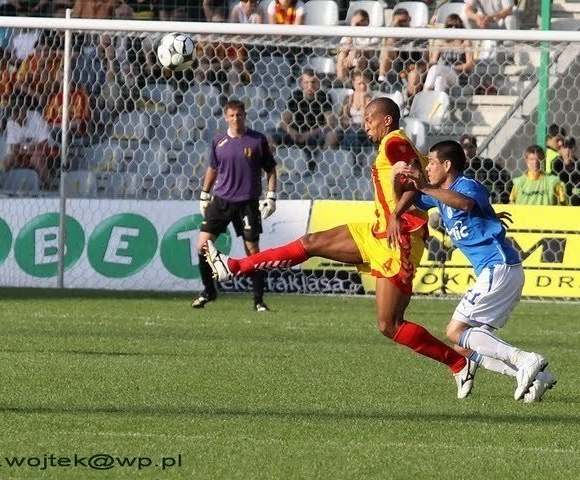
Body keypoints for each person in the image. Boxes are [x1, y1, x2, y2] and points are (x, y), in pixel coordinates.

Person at [205, 97, 478, 399]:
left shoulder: (394, 143)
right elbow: (412, 178)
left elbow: (414, 177)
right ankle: (234, 267)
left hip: (397, 240)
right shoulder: (392, 144)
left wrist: (397, 216)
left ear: (387, 120)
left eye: (370, 119)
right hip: (378, 231)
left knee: (390, 325)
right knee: (311, 243)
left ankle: (458, 363)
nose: (365, 124)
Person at [396, 140, 555, 402]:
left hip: (499, 267)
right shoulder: (437, 193)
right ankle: (534, 378)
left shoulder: (467, 186)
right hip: (497, 272)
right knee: (463, 345)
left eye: (432, 162)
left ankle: (525, 359)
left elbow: (466, 204)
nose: (428, 167)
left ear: (447, 165)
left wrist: (423, 185)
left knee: (453, 331)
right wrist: (400, 184)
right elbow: (410, 197)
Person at [192, 99, 278, 313]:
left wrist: (271, 196)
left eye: (239, 115)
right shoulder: (218, 140)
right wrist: (204, 194)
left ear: (244, 115)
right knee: (202, 247)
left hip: (247, 203)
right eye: (231, 115)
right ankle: (208, 291)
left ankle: (258, 300)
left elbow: (271, 169)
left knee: (252, 251)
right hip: (221, 200)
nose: (235, 119)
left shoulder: (257, 140)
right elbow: (213, 168)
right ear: (225, 117)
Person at [266, 68, 337, 150]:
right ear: (301, 84)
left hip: (314, 135)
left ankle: (322, 160)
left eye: (313, 82)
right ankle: (274, 160)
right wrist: (292, 132)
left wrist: (309, 133)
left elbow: (330, 124)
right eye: (306, 82)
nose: (310, 86)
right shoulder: (296, 96)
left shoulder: (324, 97)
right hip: (294, 135)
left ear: (319, 83)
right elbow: (283, 122)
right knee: (268, 134)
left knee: (332, 135)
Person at [377, 7, 428, 108]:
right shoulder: (391, 36)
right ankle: (381, 81)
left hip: (413, 69)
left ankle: (409, 104)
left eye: (404, 20)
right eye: (399, 21)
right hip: (395, 67)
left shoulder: (419, 35)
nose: (402, 24)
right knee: (389, 45)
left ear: (410, 19)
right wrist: (395, 27)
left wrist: (417, 67)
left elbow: (425, 61)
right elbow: (385, 52)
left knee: (414, 76)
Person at [4, 102, 58, 190]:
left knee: (35, 158)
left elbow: (44, 146)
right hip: (25, 155)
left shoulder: (36, 117)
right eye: (16, 119)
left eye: (21, 119)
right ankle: (6, 189)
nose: (19, 123)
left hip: (47, 154)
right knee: (8, 160)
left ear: (25, 111)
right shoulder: (11, 122)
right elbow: (14, 148)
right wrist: (30, 148)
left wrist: (24, 149)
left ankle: (50, 188)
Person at [422, 14, 474, 93]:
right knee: (439, 80)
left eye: (456, 26)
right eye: (450, 25)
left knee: (436, 68)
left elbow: (470, 65)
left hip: (458, 77)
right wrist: (428, 65)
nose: (453, 28)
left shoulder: (466, 42)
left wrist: (453, 68)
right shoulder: (441, 42)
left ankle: (424, 94)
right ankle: (438, 103)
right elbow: (433, 61)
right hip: (444, 74)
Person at [460, 134, 511, 204]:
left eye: (471, 147)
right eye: (464, 147)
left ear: (475, 147)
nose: (467, 151)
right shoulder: (456, 166)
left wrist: (499, 200)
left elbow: (506, 180)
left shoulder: (487, 164)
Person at [551, 135, 580, 206]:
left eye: (570, 147)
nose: (568, 151)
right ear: (560, 149)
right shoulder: (555, 167)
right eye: (565, 147)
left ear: (575, 149)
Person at [336, 9, 379, 83]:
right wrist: (348, 44)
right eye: (355, 24)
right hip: (350, 63)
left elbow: (370, 49)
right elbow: (341, 50)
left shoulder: (373, 36)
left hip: (370, 65)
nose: (358, 26)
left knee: (361, 58)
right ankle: (341, 80)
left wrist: (355, 52)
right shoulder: (348, 36)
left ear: (367, 22)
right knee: (342, 54)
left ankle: (359, 83)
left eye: (359, 23)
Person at [337, 70, 372, 150]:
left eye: (364, 83)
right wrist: (350, 125)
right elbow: (343, 119)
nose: (362, 86)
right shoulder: (348, 98)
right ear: (353, 83)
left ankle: (351, 158)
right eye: (359, 83)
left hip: (364, 131)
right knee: (351, 133)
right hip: (349, 129)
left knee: (356, 134)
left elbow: (366, 122)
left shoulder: (371, 100)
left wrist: (363, 101)